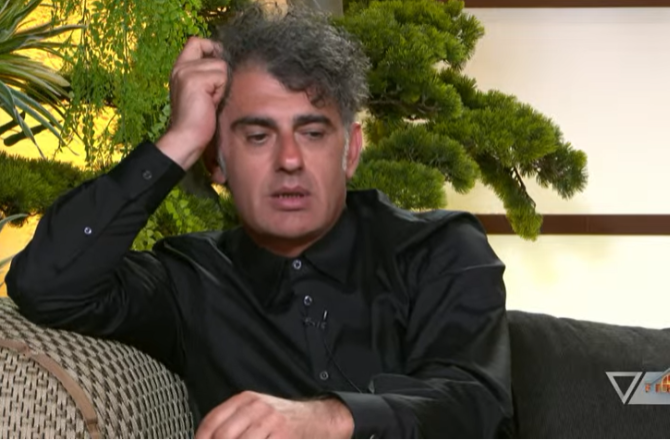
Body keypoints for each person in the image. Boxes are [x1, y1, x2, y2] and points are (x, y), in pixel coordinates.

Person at [6, 3, 513, 439]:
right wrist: (179, 140)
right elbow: (46, 282)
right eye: (257, 136)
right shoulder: (189, 279)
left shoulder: (440, 247)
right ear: (216, 162)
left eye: (312, 133)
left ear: (351, 151)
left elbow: (476, 403)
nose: (289, 159)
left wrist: (328, 420)